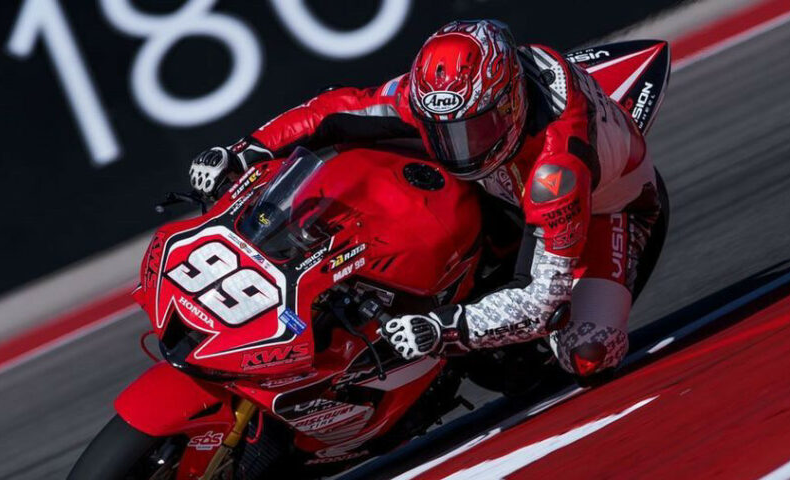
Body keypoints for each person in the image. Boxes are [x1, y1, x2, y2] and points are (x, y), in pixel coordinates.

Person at [189, 19, 664, 380]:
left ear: (511, 104)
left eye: (474, 130)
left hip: (604, 208)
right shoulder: (441, 96)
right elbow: (334, 110)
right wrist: (242, 151)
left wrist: (443, 329)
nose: (461, 147)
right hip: (501, 178)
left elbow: (543, 302)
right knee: (357, 146)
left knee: (587, 355)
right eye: (444, 132)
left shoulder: (556, 169)